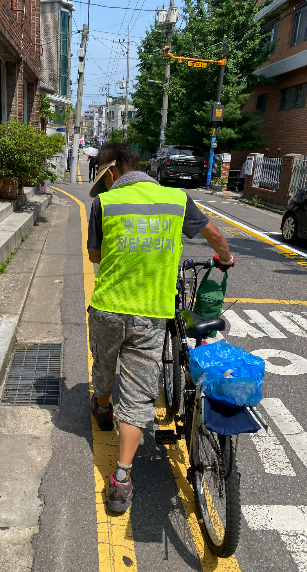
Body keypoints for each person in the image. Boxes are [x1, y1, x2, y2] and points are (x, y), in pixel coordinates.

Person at [87, 143, 235, 513]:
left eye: (102, 178)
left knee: (105, 368)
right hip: (152, 312)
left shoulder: (104, 205)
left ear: (111, 172)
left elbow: (94, 255)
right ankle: (122, 479)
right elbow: (216, 237)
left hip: (108, 307)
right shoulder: (175, 199)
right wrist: (225, 259)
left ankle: (103, 408)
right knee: (138, 395)